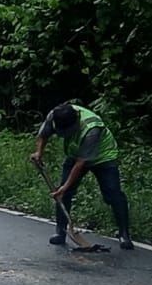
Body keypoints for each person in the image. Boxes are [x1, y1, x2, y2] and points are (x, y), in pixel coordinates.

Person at [31, 102, 133, 250]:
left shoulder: (92, 128)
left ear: (77, 120)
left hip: (103, 157)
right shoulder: (54, 115)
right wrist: (39, 152)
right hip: (75, 154)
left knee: (113, 194)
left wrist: (65, 187)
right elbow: (43, 135)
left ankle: (124, 234)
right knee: (64, 194)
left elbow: (80, 164)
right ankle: (61, 232)